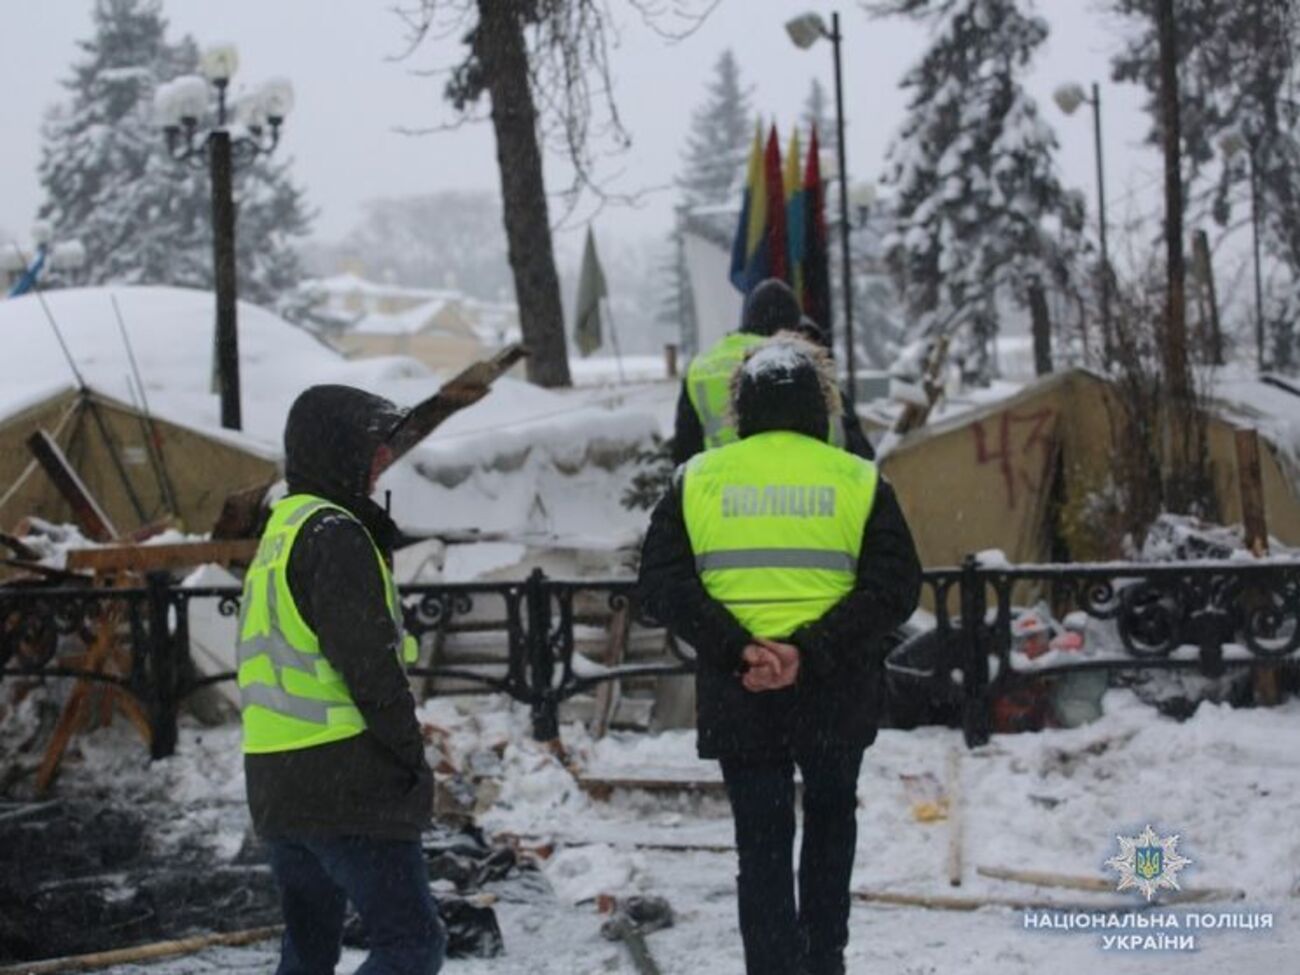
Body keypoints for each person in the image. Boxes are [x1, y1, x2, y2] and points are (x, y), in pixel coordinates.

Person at [639, 336, 921, 975]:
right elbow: (895, 587)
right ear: (821, 406)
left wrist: (739, 648)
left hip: (741, 693)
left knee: (760, 848)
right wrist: (807, 653)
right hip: (835, 688)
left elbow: (660, 584)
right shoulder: (857, 478)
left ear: (743, 408)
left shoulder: (696, 480)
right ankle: (824, 960)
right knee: (829, 829)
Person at [237, 385, 445, 975]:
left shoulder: (282, 530)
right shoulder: (336, 534)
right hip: (345, 778)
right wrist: (410, 758)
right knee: (411, 943)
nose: (383, 459)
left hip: (277, 779)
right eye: (372, 446)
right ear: (336, 449)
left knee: (309, 951)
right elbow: (370, 668)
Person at [672, 277, 873, 464]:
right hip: (805, 488)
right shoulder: (802, 364)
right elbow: (859, 451)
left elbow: (684, 451)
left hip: (719, 489)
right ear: (793, 328)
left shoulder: (701, 368)